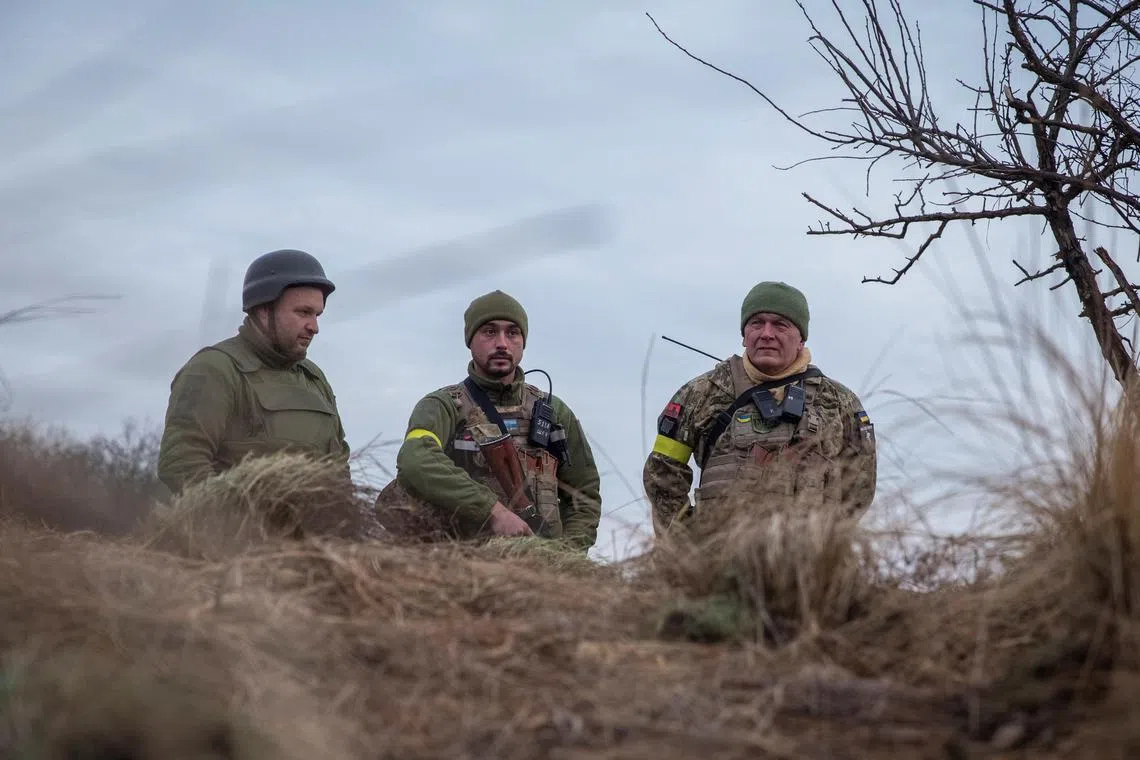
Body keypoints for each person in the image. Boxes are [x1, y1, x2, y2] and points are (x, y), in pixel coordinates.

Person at [643, 281, 876, 535]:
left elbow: (860, 485)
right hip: (717, 561)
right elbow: (662, 472)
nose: (767, 333)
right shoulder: (701, 393)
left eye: (780, 324)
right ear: (744, 335)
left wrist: (826, 545)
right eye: (757, 323)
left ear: (801, 339)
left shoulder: (838, 401)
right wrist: (689, 542)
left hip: (808, 562)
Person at [377, 290, 602, 552]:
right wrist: (491, 511)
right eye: (489, 332)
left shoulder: (554, 411)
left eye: (513, 333)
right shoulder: (444, 406)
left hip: (543, 574)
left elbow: (584, 496)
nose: (502, 344)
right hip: (463, 570)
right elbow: (415, 460)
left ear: (523, 342)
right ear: (470, 340)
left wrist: (567, 559)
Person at [156, 249, 349, 494]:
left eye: (317, 315)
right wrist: (241, 524)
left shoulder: (314, 379)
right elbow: (182, 466)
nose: (314, 327)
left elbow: (340, 470)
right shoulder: (214, 369)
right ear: (263, 310)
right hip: (237, 531)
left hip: (317, 531)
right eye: (303, 312)